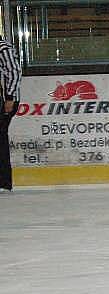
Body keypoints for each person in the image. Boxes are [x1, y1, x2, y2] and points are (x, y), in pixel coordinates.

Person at [0, 35, 21, 192]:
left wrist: (9, 98)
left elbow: (14, 72)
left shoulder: (3, 48)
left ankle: (4, 180)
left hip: (4, 100)